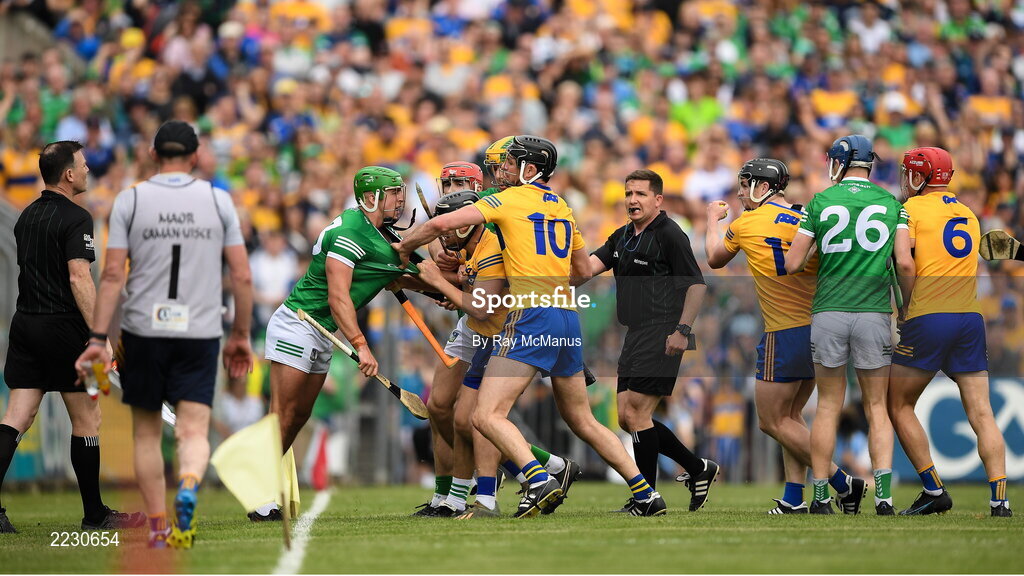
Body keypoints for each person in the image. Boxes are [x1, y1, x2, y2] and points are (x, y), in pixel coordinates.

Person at [395, 135, 666, 517]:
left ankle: (539, 479)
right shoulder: (562, 205)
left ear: (530, 169)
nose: (502, 170)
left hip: (531, 316)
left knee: (484, 415)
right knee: (582, 419)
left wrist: (404, 248)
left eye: (510, 163)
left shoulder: (507, 200)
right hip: (567, 317)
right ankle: (646, 493)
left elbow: (443, 222)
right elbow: (584, 270)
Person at [75, 121, 254, 548]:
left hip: (143, 330)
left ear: (154, 154)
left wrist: (99, 338)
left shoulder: (130, 201)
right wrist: (241, 335)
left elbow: (113, 274)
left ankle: (157, 525)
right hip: (199, 327)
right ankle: (189, 485)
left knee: (148, 433)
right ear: (195, 157)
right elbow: (242, 275)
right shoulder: (218, 200)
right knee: (193, 429)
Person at [252, 166, 418, 521]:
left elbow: (409, 274)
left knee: (299, 415)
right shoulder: (350, 231)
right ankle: (261, 494)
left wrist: (450, 286)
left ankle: (265, 484)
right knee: (282, 413)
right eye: (393, 192)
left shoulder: (381, 234)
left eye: (400, 191)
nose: (400, 199)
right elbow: (339, 297)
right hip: (299, 322)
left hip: (323, 332)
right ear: (371, 197)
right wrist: (361, 344)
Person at [705, 158, 867, 515]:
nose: (739, 191)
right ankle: (794, 497)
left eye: (745, 183)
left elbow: (715, 257)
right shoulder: (805, 215)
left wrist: (712, 222)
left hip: (785, 330)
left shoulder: (746, 222)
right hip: (824, 327)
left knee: (772, 421)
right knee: (792, 416)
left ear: (763, 188)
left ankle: (843, 482)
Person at [0, 141, 144, 534]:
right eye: (82, 166)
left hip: (26, 325)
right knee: (87, 418)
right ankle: (95, 515)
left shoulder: (25, 216)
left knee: (18, 415)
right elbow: (79, 277)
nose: (86, 171)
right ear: (68, 174)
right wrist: (99, 333)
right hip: (64, 329)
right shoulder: (77, 218)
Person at [417, 189, 581, 519]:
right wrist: (457, 283)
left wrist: (441, 282)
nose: (445, 234)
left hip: (507, 334)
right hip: (495, 333)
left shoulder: (493, 241)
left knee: (482, 418)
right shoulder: (476, 247)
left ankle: (514, 487)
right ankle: (547, 468)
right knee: (469, 420)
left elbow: (481, 307)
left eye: (450, 226)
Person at [784, 135, 907, 515]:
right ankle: (884, 497)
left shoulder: (821, 201)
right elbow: (904, 263)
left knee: (828, 407)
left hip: (829, 311)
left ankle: (821, 497)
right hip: (873, 311)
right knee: (876, 407)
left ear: (841, 161)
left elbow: (792, 264)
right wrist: (905, 308)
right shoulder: (892, 204)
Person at [586, 168, 720, 513]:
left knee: (638, 414)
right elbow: (585, 269)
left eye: (641, 194)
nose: (633, 200)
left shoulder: (670, 233)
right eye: (629, 193)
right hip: (634, 333)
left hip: (663, 331)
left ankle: (645, 498)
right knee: (626, 418)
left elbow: (696, 284)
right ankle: (697, 468)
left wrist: (682, 331)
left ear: (657, 199)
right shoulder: (622, 236)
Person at [889, 146, 1011, 517]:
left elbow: (905, 264)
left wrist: (906, 307)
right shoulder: (968, 214)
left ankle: (933, 489)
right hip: (969, 319)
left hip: (929, 316)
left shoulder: (908, 210)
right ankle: (1000, 501)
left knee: (897, 404)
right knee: (982, 413)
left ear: (917, 176)